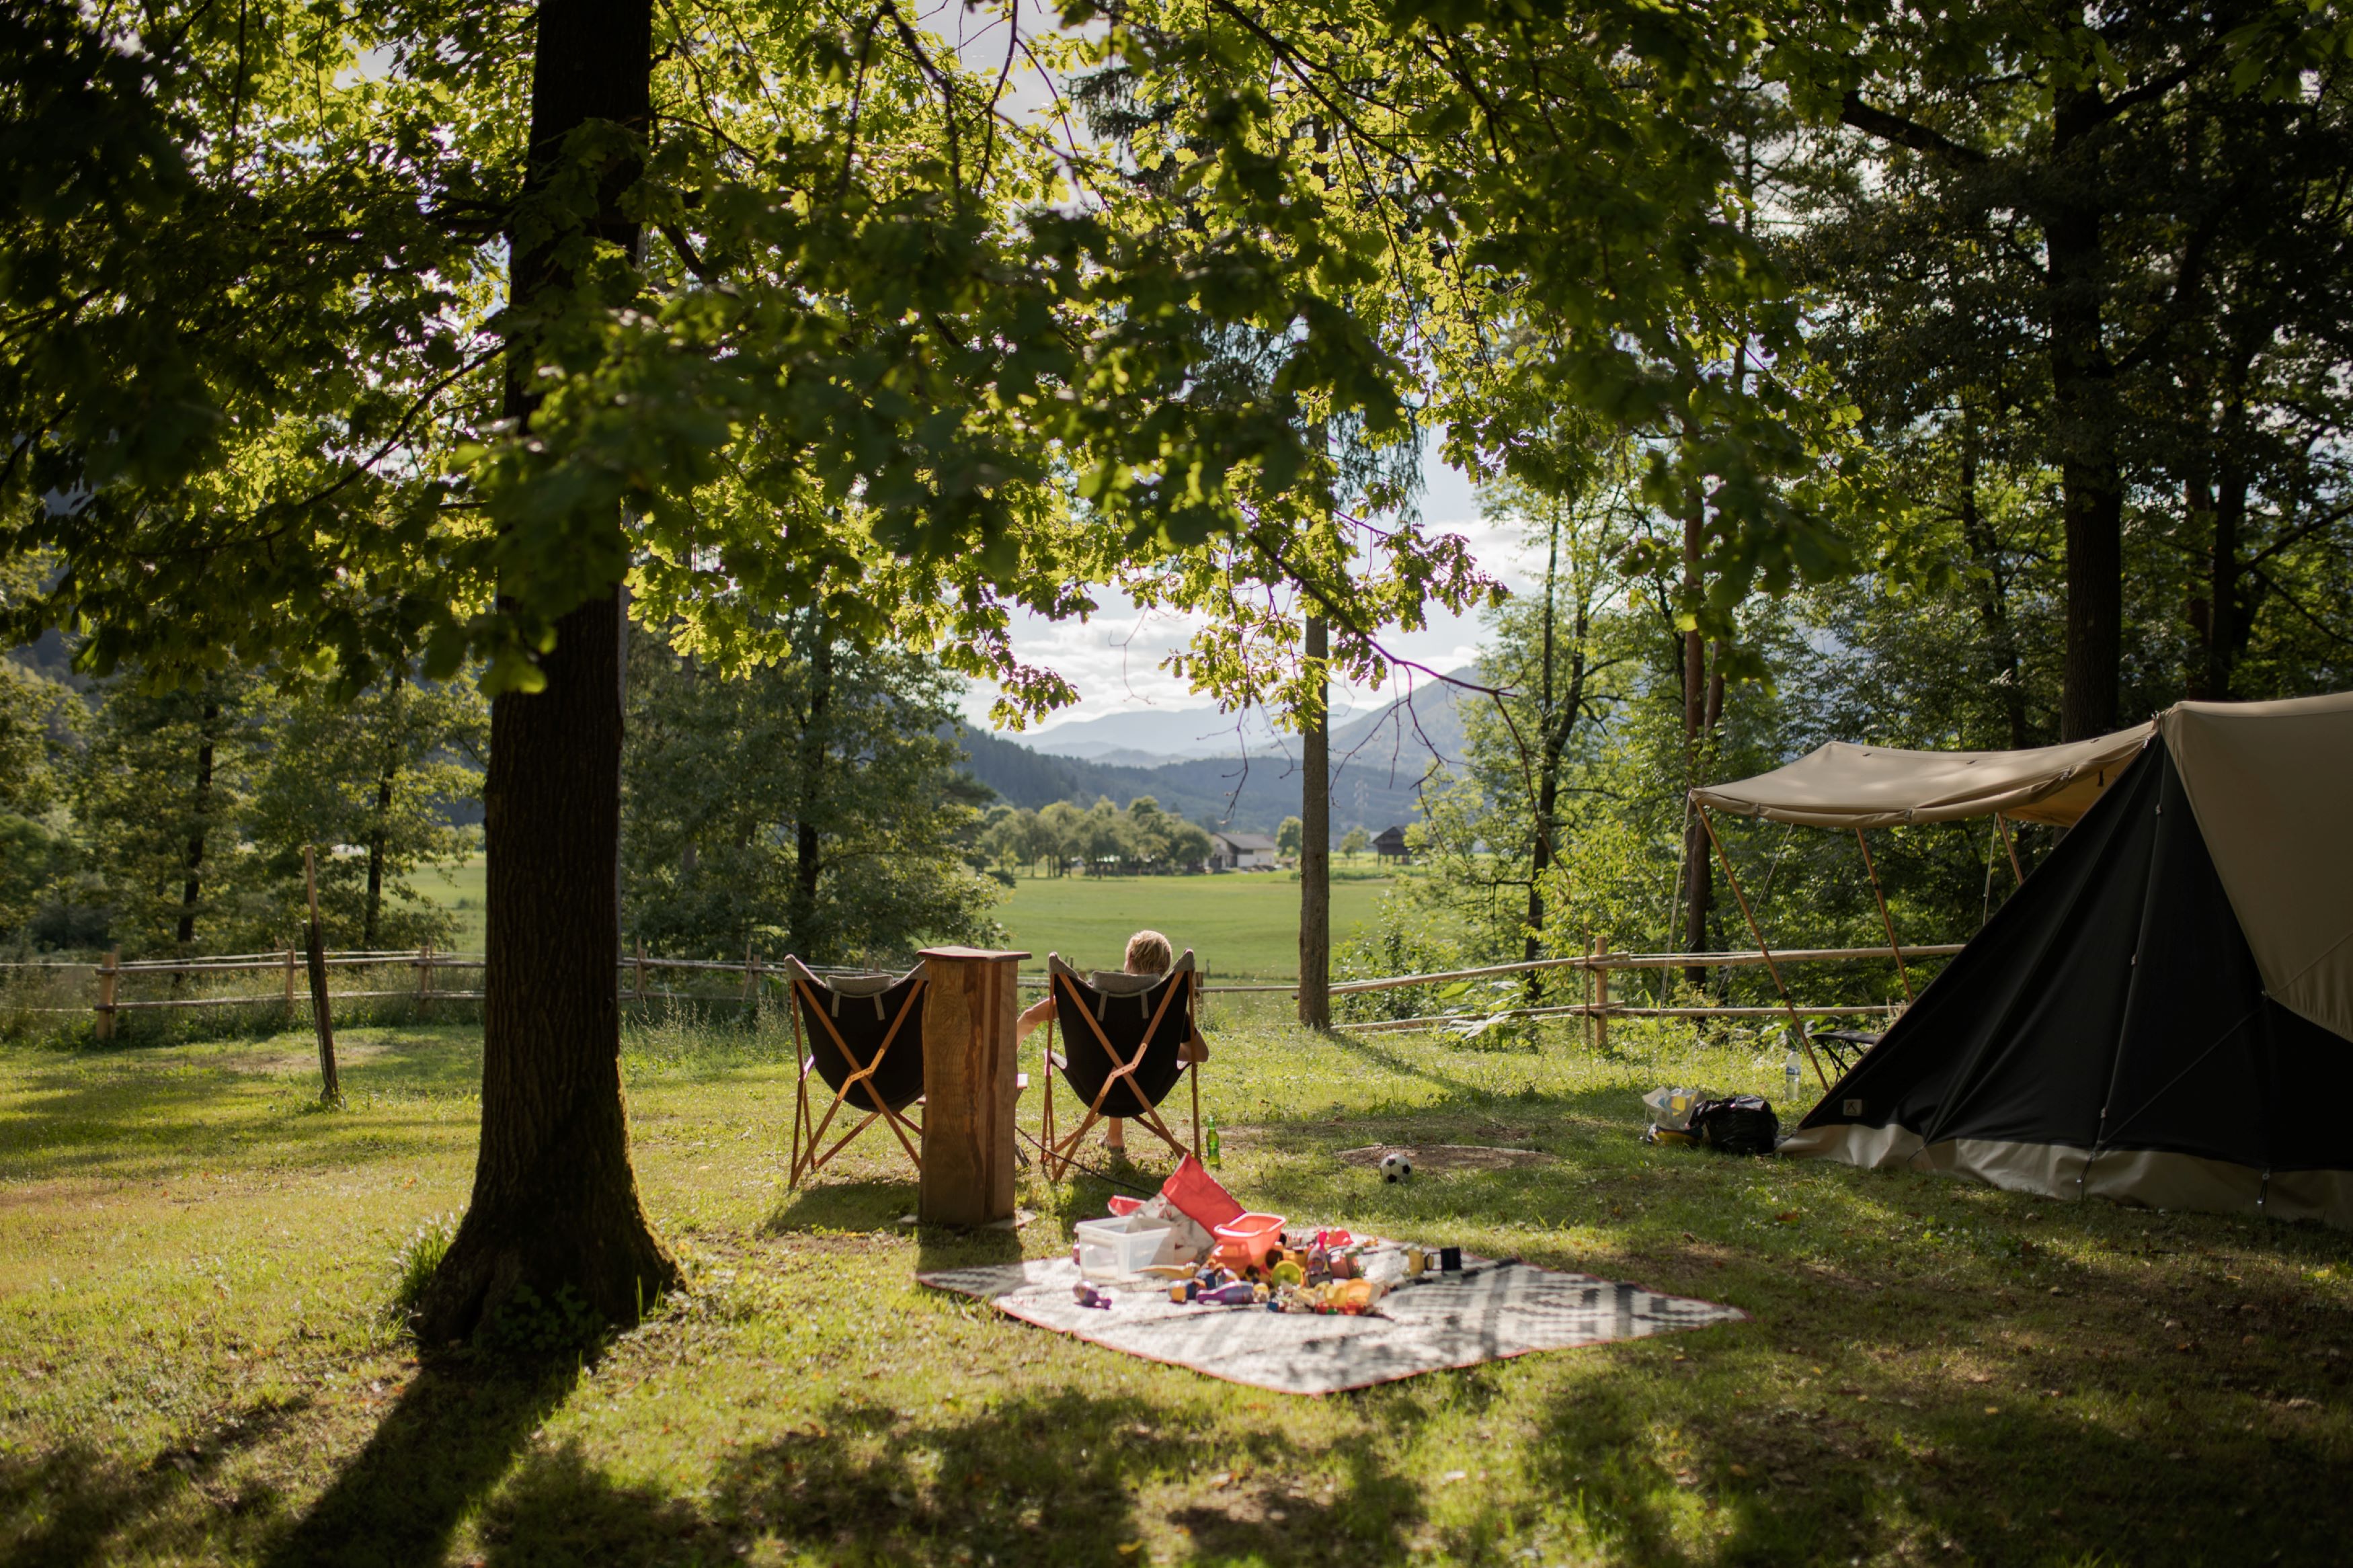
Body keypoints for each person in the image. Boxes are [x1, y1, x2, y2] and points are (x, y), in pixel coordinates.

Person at [1019, 928, 1173, 1157]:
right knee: (1122, 1059)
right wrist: (1169, 1051)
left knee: (1111, 1059)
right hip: (1147, 1088)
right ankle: (1115, 1136)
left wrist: (1005, 1053)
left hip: (1093, 1084)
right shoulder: (1167, 1003)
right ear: (1164, 968)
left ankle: (1114, 1135)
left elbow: (1030, 1018)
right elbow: (1201, 1053)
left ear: (1129, 959)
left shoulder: (1087, 998)